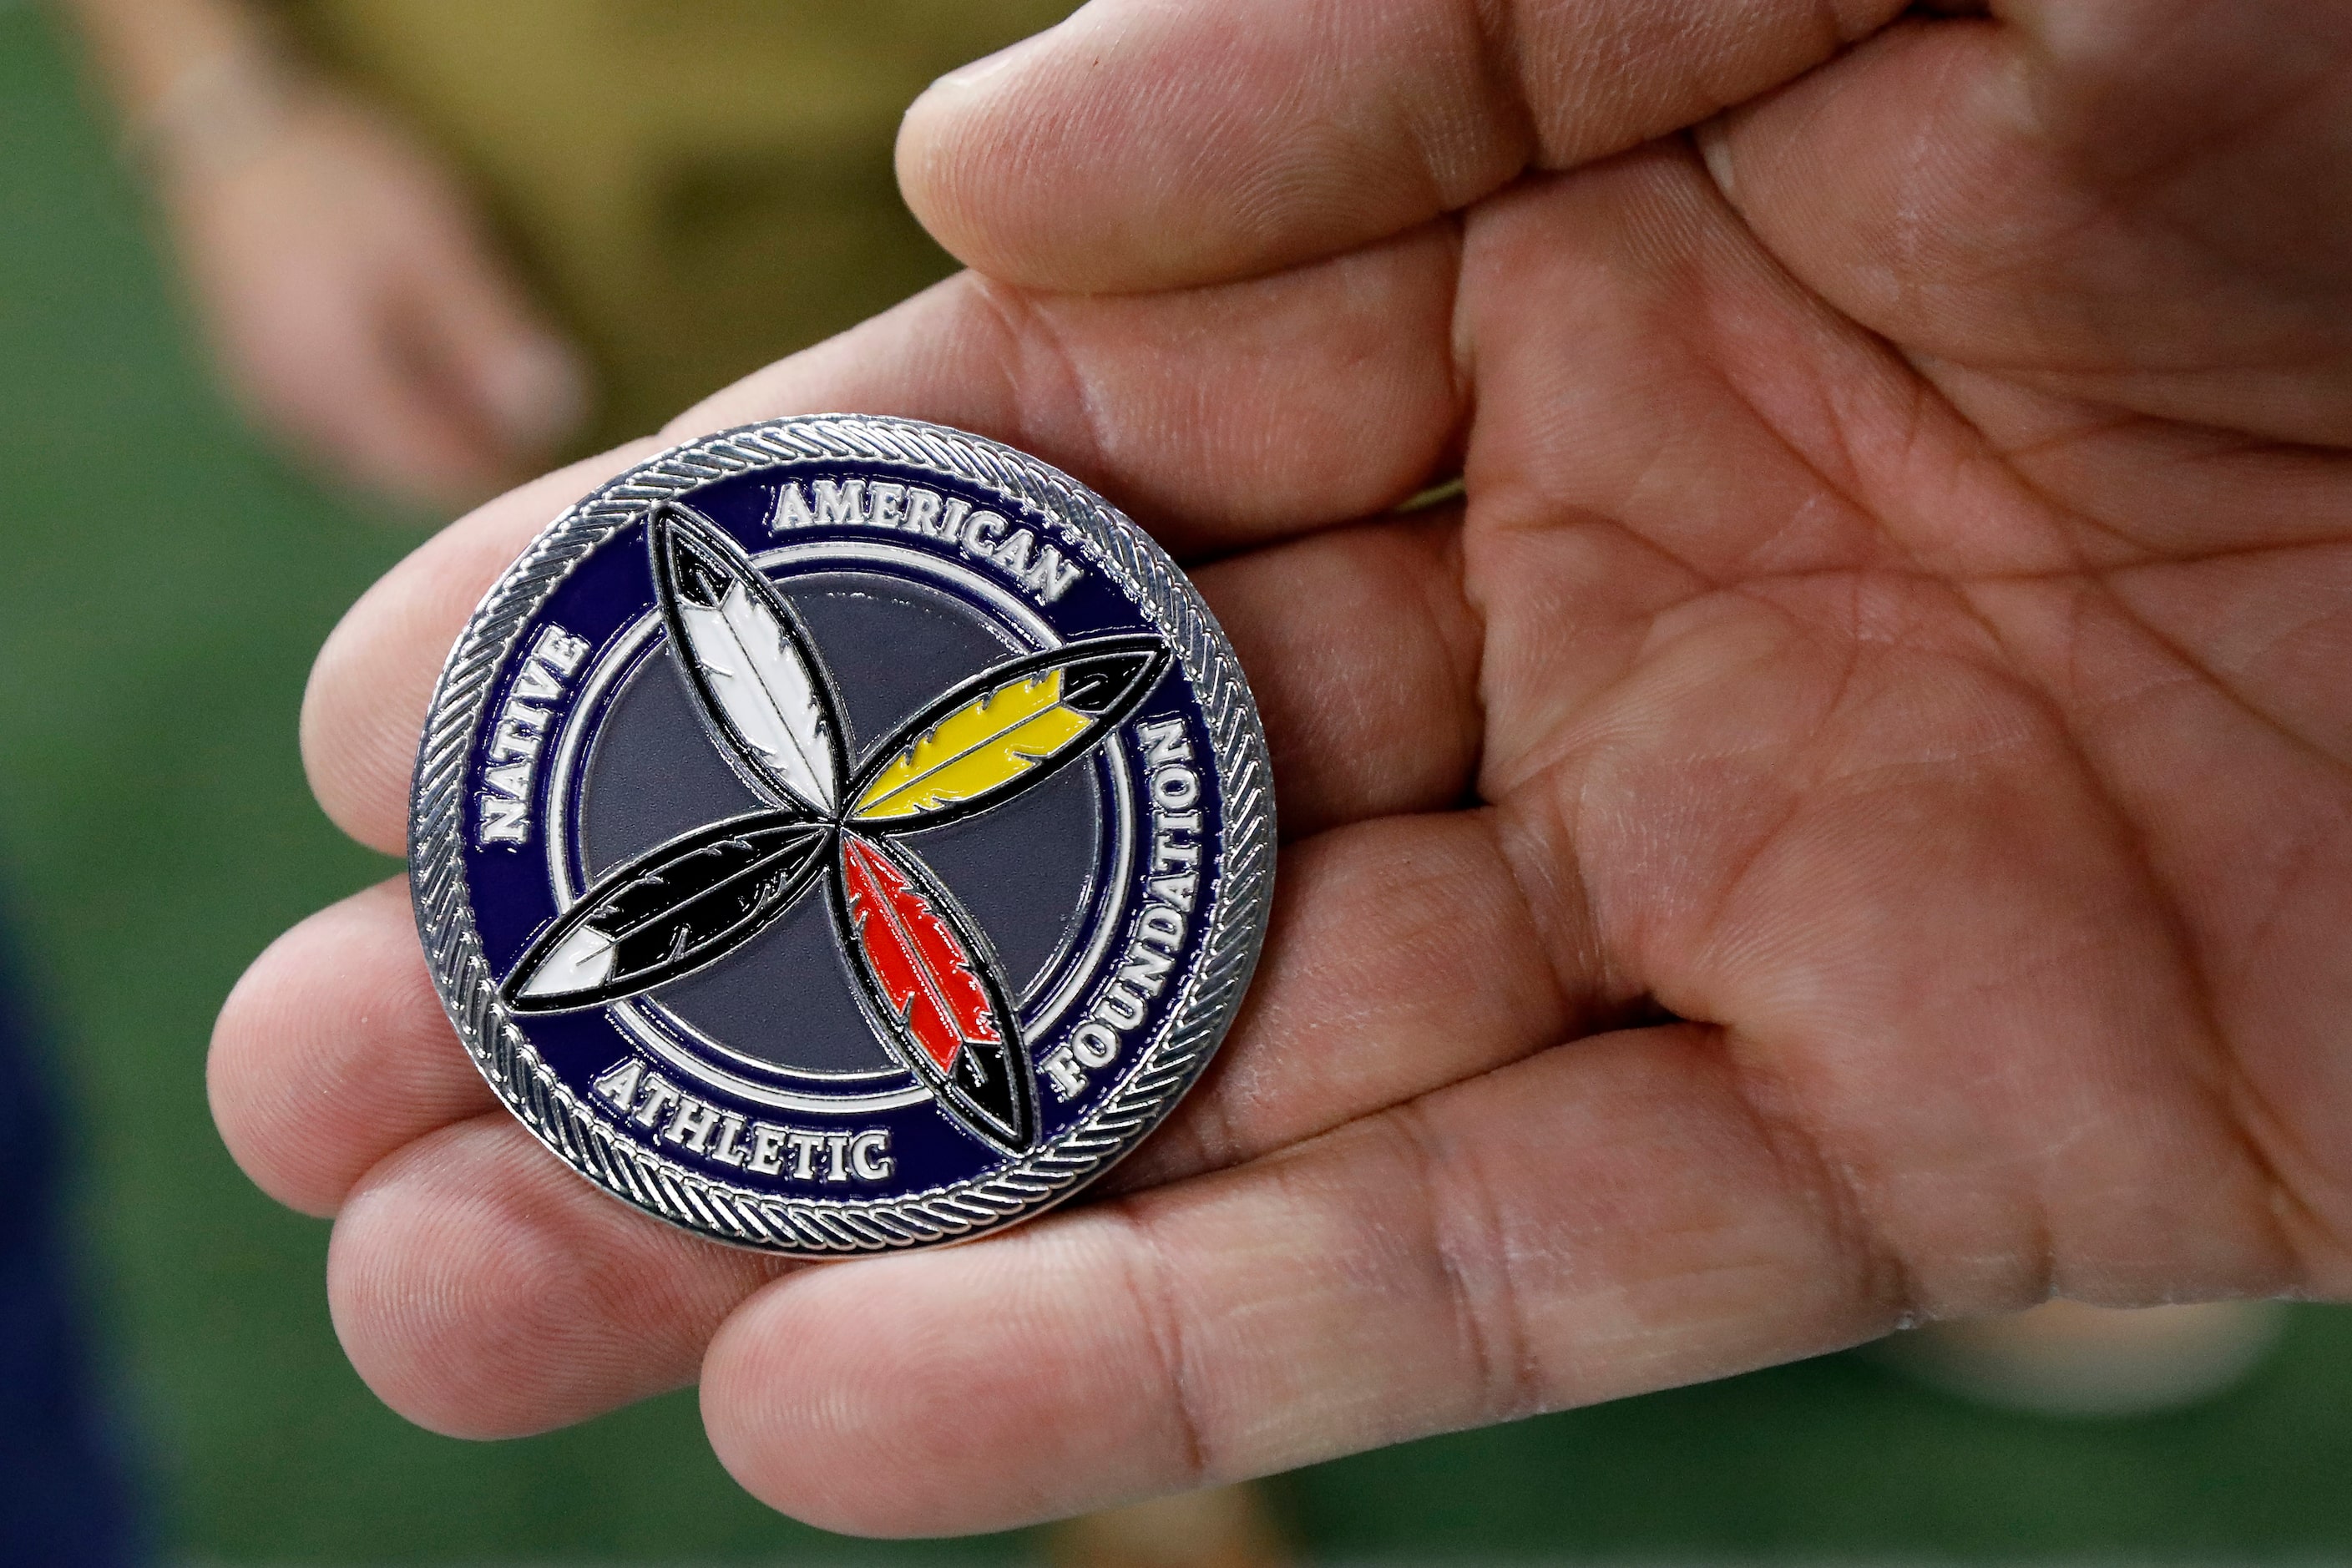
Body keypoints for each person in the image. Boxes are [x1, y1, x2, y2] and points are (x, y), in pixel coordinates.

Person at [205, 0, 2352, 1535]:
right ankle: (1113, 1414)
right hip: (620, 138)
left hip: (1279, 144)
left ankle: (1917, 1017)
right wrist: (221, 103)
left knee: (1465, 507)